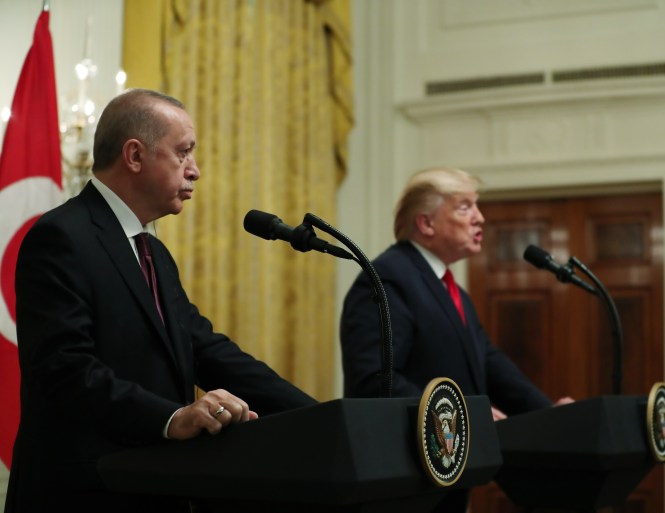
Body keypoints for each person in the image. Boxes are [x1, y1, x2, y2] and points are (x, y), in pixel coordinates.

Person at [5, 89, 317, 513]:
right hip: (82, 492)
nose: (196, 171)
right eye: (183, 153)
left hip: (153, 487)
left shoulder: (154, 253)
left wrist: (317, 417)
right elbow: (66, 369)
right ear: (135, 155)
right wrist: (171, 419)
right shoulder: (62, 237)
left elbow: (205, 348)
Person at [340, 167, 572, 511]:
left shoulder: (453, 292)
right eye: (465, 207)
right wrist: (461, 415)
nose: (480, 218)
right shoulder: (387, 279)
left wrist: (548, 413)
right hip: (402, 478)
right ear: (426, 224)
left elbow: (490, 363)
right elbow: (375, 380)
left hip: (446, 467)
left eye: (476, 206)